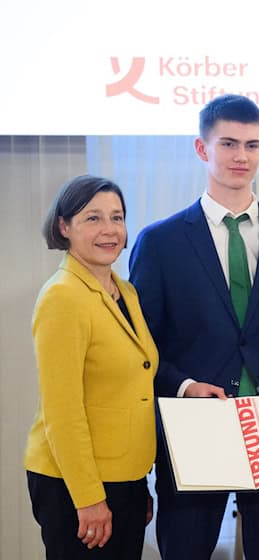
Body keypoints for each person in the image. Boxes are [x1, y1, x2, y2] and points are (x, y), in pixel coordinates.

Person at [129, 94, 259, 559]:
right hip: (194, 426)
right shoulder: (161, 242)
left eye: (252, 145)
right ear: (201, 148)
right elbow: (140, 347)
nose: (241, 156)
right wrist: (186, 384)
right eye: (228, 143)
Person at [25, 175, 158, 558]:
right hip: (77, 484)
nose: (109, 230)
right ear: (64, 226)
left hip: (123, 477)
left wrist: (137, 484)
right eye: (93, 218)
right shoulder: (62, 297)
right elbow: (62, 412)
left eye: (117, 218)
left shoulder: (123, 290)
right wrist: (88, 499)